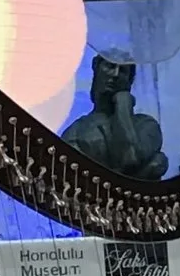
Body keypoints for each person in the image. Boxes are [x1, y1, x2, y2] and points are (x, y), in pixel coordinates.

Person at [63, 50, 166, 180]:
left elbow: (129, 158)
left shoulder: (146, 125)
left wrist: (123, 105)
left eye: (123, 71)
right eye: (110, 66)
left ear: (129, 80)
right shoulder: (76, 131)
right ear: (96, 68)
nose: (116, 74)